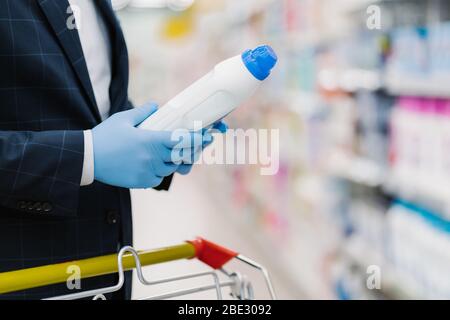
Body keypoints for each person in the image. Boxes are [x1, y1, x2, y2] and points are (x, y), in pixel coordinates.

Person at [0, 0, 225, 300]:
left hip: (109, 274)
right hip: (24, 276)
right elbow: (93, 142)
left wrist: (161, 139)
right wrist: (86, 156)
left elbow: (100, 107)